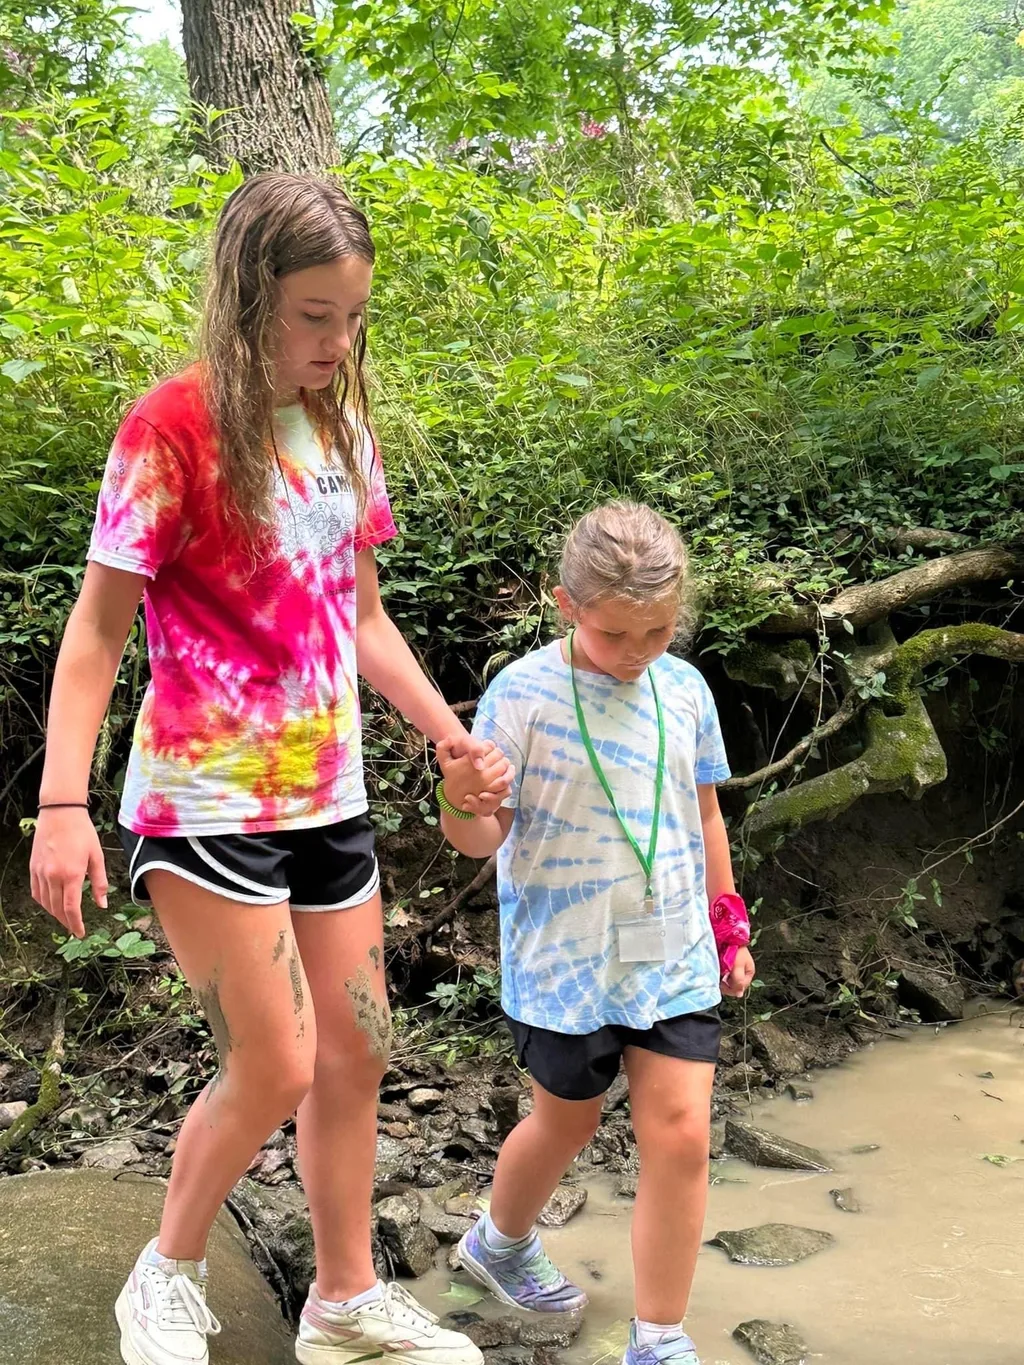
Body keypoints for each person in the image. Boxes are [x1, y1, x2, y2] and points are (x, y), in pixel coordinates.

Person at [29, 172, 511, 1365]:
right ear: (248, 299)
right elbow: (95, 634)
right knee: (276, 1063)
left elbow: (362, 618)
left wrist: (445, 733)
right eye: (312, 316)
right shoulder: (170, 429)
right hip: (204, 802)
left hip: (327, 795)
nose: (336, 342)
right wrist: (60, 805)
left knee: (358, 1048)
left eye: (352, 317)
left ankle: (342, 1300)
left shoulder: (340, 429)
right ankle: (166, 1272)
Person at [434, 501, 756, 1365]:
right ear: (565, 604)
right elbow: (481, 837)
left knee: (683, 1132)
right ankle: (498, 1243)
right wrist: (459, 799)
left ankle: (658, 1337)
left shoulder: (684, 689)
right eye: (616, 633)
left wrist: (728, 923)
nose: (638, 651)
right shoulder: (521, 694)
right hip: (564, 962)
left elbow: (705, 813)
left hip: (674, 952)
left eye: (658, 630)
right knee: (566, 1122)